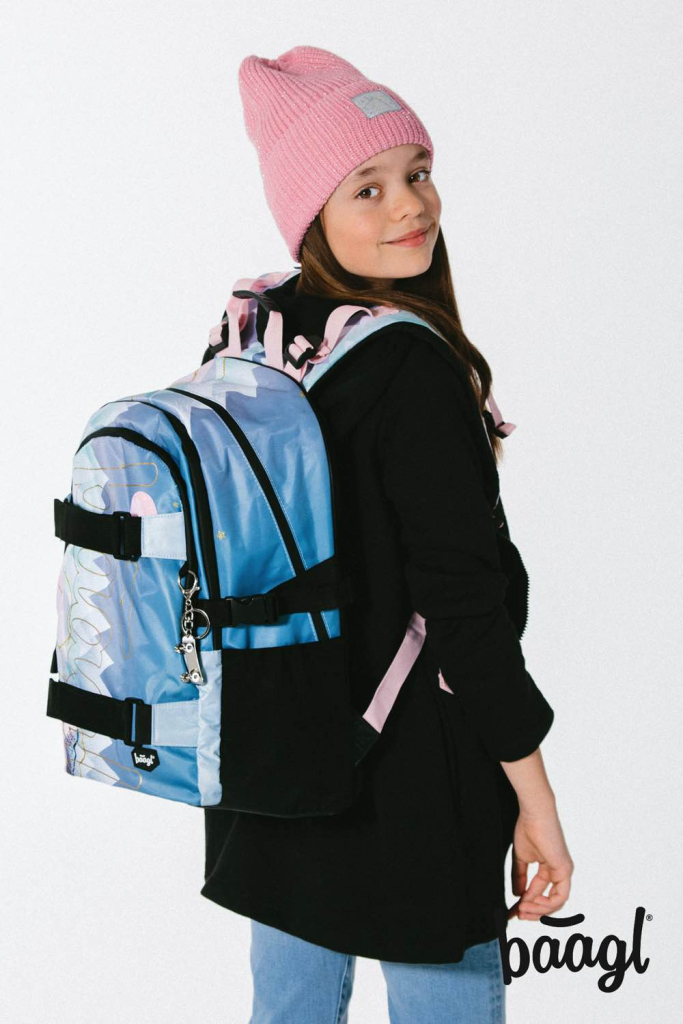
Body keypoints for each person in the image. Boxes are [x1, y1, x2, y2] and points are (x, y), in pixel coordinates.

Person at [201, 45, 574, 1024]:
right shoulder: (410, 368)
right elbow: (464, 611)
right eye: (365, 188)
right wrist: (533, 801)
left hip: (271, 760)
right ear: (310, 214)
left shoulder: (250, 337)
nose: (409, 206)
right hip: (412, 780)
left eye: (416, 172)